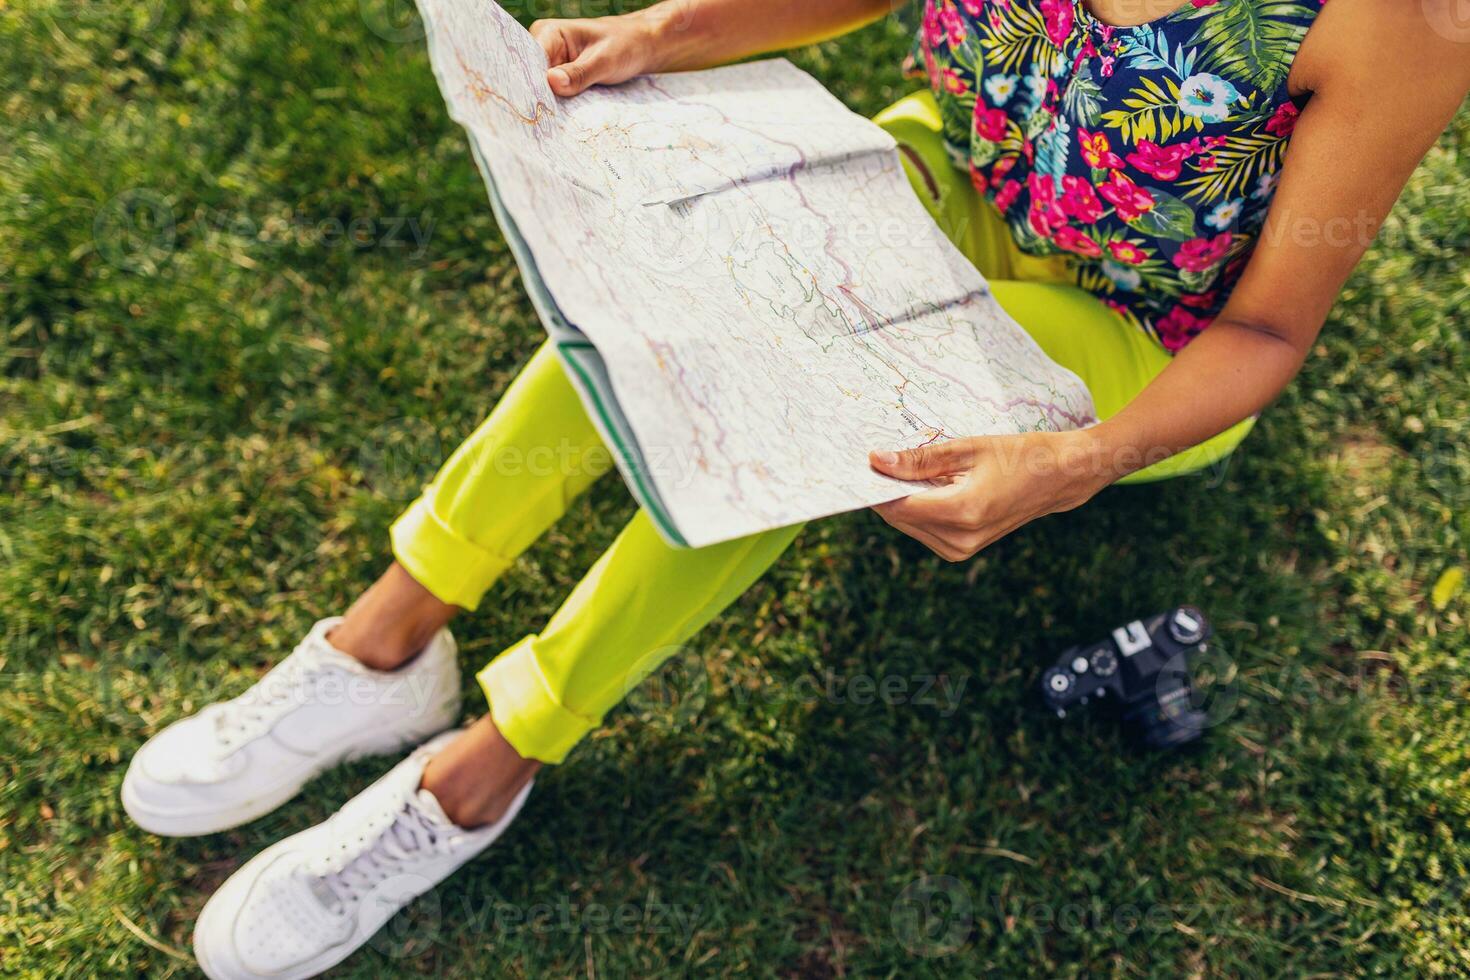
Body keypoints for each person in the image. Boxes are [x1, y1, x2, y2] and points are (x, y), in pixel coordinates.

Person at [120, 1, 1470, 976]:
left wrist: (1077, 459)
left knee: (816, 388)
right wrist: (663, 32)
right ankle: (386, 642)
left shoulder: (1395, 22)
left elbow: (1266, 335)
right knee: (680, 260)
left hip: (1146, 329)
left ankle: (490, 761)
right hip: (953, 172)